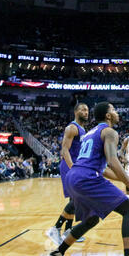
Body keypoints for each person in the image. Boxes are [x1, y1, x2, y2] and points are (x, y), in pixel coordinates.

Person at [45, 102, 129, 256]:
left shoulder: (89, 133)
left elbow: (103, 168)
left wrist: (126, 179)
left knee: (92, 219)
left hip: (73, 176)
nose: (117, 113)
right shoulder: (109, 132)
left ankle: (57, 253)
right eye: (114, 110)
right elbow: (112, 160)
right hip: (86, 177)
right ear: (108, 115)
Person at [46, 103, 88, 246]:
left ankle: (67, 231)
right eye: (83, 109)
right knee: (76, 199)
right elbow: (64, 151)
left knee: (74, 200)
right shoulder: (72, 128)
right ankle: (56, 228)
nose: (86, 112)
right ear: (76, 112)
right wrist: (74, 169)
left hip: (76, 166)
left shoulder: (82, 129)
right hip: (69, 167)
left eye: (87, 110)